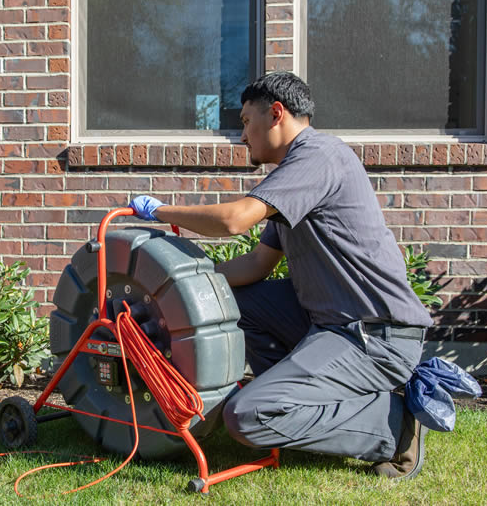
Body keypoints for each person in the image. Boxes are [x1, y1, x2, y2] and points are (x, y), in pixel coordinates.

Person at [129, 72, 432, 479]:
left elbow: (235, 220)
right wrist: (185, 284)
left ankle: (391, 428)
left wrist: (160, 211)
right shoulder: (294, 175)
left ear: (276, 114)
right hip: (329, 323)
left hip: (375, 335)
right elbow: (257, 264)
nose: (243, 137)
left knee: (247, 417)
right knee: (234, 303)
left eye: (246, 122)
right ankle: (296, 401)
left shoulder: (319, 157)